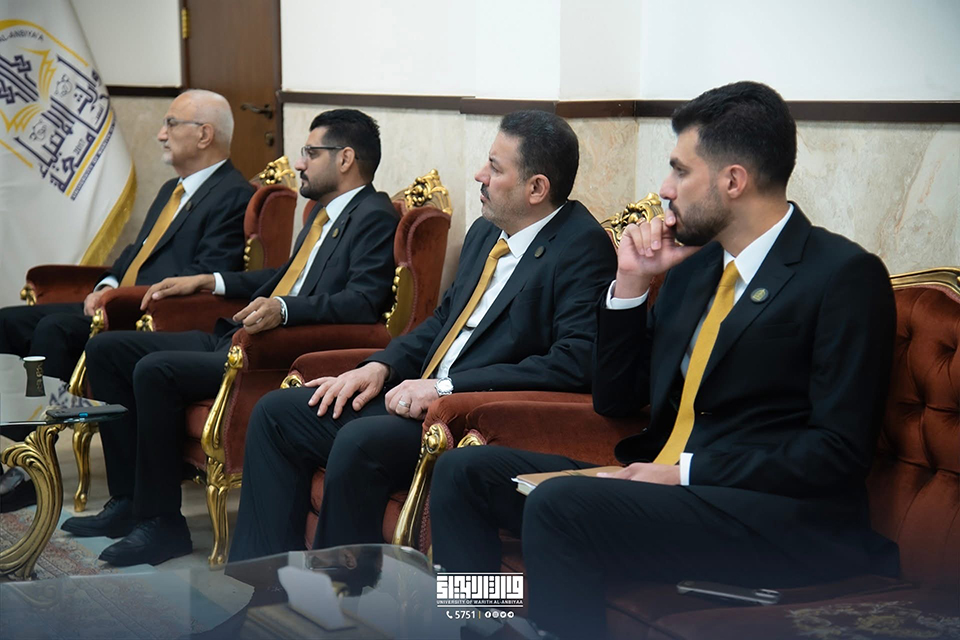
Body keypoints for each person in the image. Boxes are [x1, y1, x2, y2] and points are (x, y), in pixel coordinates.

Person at [429, 82, 899, 639]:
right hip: (664, 489)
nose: (664, 189)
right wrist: (629, 286)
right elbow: (617, 400)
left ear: (733, 181)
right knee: (464, 473)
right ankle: (479, 624)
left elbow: (838, 451)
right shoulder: (695, 271)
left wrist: (684, 474)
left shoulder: (842, 275)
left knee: (560, 504)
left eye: (679, 171)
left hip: (770, 517)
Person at [227, 110, 618, 562]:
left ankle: (344, 589)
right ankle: (264, 580)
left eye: (494, 168)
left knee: (359, 442)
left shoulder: (581, 248)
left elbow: (571, 362)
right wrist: (381, 366)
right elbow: (442, 321)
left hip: (471, 414)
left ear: (536, 188)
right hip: (419, 394)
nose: (479, 175)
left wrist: (444, 388)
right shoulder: (486, 231)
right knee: (276, 412)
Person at [59, 109, 400, 567]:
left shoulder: (373, 216)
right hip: (237, 335)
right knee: (107, 349)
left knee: (155, 370)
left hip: (273, 353)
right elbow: (283, 276)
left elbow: (362, 302)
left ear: (345, 158)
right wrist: (210, 280)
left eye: (310, 152)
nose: (300, 163)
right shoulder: (323, 214)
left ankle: (162, 526)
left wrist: (283, 309)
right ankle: (127, 499)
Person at [0, 89, 252, 513]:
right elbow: (134, 252)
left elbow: (204, 274)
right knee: (8, 321)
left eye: (171, 124)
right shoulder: (173, 189)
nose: (161, 134)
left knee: (52, 330)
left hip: (148, 314)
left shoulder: (233, 195)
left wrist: (120, 297)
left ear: (204, 134)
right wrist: (108, 283)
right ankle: (17, 443)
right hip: (114, 302)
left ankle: (31, 465)